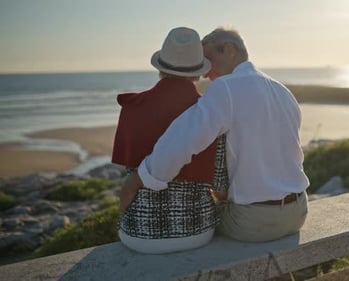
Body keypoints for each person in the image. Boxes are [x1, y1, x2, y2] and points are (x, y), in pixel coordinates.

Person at [121, 27, 310, 242]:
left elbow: (183, 139)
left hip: (255, 221)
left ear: (229, 50)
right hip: (299, 212)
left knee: (194, 224)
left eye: (209, 61)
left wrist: (138, 179)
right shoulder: (282, 90)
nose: (205, 73)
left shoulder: (226, 87)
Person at [113, 27, 228, 254]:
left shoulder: (132, 107)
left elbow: (128, 172)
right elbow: (221, 185)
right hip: (196, 231)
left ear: (160, 68)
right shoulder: (210, 113)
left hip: (138, 234)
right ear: (197, 73)